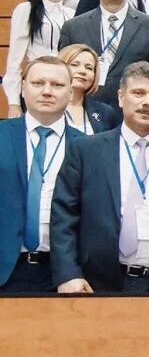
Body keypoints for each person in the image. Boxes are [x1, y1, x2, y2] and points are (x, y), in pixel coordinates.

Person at [50, 61, 149, 293]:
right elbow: (64, 216)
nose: (147, 102)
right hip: (97, 283)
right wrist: (68, 274)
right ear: (121, 98)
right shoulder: (86, 150)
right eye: (138, 93)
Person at [0, 57, 79, 293]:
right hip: (6, 269)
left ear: (70, 93)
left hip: (64, 275)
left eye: (57, 85)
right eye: (38, 83)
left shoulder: (88, 146)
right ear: (23, 88)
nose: (47, 91)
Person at [5, 0, 72, 109]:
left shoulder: (71, 14)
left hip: (63, 82)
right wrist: (14, 102)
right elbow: (15, 59)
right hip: (37, 81)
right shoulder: (26, 10)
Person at [58, 45, 120, 135]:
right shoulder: (45, 105)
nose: (82, 71)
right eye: (74, 65)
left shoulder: (105, 112)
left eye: (89, 68)